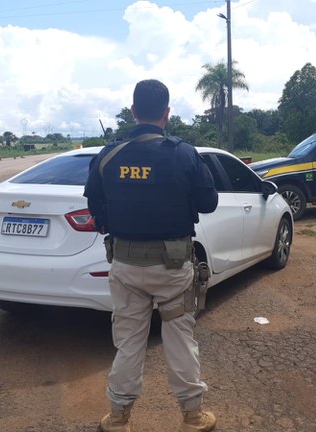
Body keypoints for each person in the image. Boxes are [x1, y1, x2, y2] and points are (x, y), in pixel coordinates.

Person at [84, 79, 219, 432]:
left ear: (132, 112)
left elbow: (94, 208)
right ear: (167, 113)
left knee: (128, 341)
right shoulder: (183, 153)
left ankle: (118, 418)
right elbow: (209, 203)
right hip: (173, 268)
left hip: (126, 266)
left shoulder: (109, 155)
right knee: (179, 339)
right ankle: (192, 416)